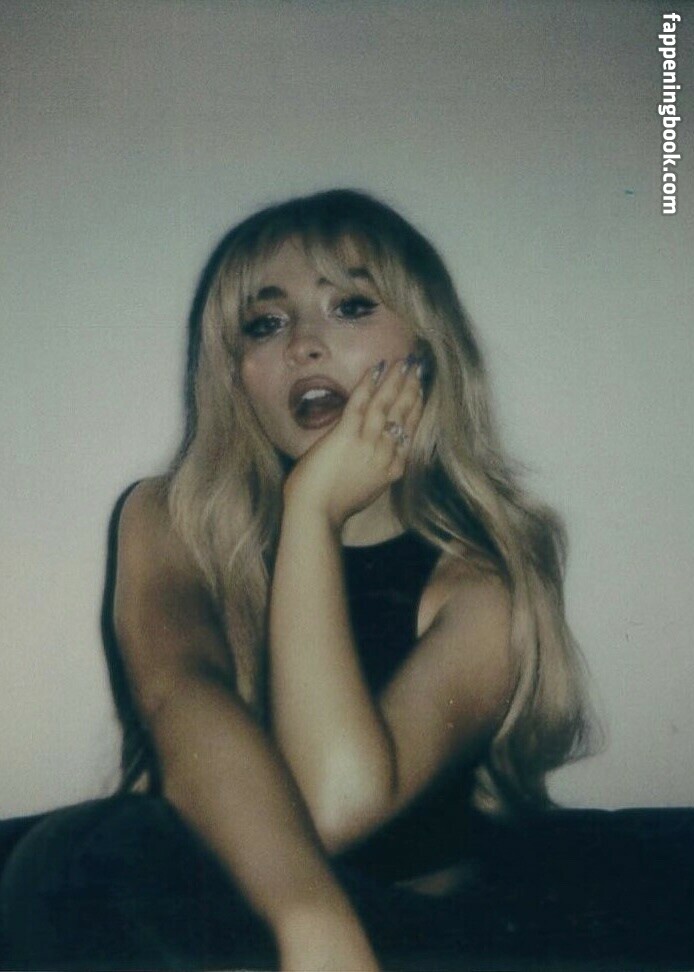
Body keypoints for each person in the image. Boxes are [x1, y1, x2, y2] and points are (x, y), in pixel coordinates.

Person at [2, 190, 692, 972]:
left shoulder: (485, 580)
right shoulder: (170, 519)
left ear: (428, 351)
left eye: (352, 306)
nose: (304, 343)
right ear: (235, 376)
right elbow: (181, 693)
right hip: (229, 914)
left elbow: (331, 806)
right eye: (265, 323)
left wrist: (312, 515)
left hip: (419, 932)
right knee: (76, 855)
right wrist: (308, 920)